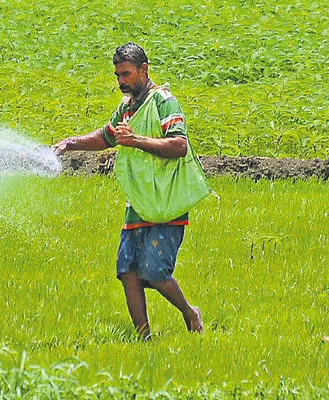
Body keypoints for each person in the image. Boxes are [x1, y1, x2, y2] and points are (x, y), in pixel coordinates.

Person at [53, 43, 203, 340]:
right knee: (128, 271)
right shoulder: (127, 107)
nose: (121, 81)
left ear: (144, 70)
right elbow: (106, 136)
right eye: (117, 75)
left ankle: (189, 312)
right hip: (138, 199)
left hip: (166, 200)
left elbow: (179, 145)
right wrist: (72, 142)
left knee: (155, 271)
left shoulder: (164, 101)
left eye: (126, 74)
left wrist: (136, 141)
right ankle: (143, 338)